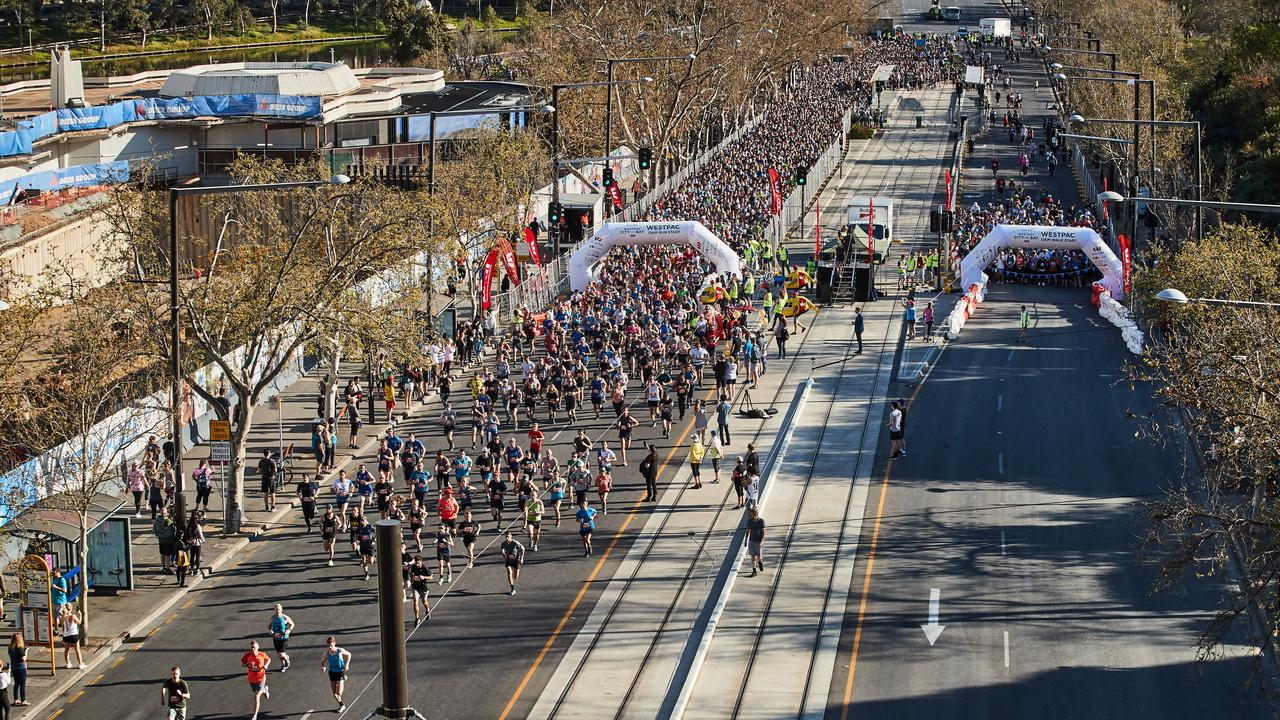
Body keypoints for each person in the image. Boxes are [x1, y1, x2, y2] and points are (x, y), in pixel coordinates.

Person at [241, 640, 271, 720]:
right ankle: (265, 690)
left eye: (254, 647)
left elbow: (269, 660)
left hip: (260, 679)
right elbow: (242, 664)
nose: (252, 649)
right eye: (251, 648)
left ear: (258, 647)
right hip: (251, 680)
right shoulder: (247, 655)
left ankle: (254, 716)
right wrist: (246, 664)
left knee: (257, 696)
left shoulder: (262, 655)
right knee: (258, 693)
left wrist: (266, 665)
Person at [321, 637, 351, 714]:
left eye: (331, 645)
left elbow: (349, 654)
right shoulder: (327, 653)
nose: (330, 647)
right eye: (329, 645)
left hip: (340, 672)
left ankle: (342, 678)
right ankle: (342, 705)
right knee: (334, 693)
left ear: (334, 643)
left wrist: (347, 665)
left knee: (339, 693)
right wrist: (323, 666)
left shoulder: (340, 650)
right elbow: (322, 661)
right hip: (332, 672)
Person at [268, 604, 294, 672]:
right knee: (279, 654)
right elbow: (268, 626)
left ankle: (286, 659)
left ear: (281, 610)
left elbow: (292, 624)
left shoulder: (285, 618)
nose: (278, 611)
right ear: (274, 610)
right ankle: (283, 664)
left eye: (279, 609)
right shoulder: (272, 618)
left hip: (284, 638)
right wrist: (270, 630)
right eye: (276, 609)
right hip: (275, 638)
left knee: (281, 653)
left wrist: (289, 630)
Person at [408, 556, 433, 624]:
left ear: (421, 562)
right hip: (415, 587)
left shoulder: (425, 568)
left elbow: (431, 577)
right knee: (415, 602)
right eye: (416, 563)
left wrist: (424, 577)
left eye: (418, 563)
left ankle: (427, 610)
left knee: (424, 601)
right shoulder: (413, 567)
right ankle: (417, 618)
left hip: (423, 587)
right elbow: (411, 574)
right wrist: (413, 577)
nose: (417, 565)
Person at [60, 605, 85, 669]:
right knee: (77, 650)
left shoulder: (63, 617)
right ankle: (80, 664)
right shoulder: (72, 616)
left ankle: (68, 663)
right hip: (74, 634)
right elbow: (79, 622)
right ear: (71, 608)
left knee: (66, 650)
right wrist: (80, 614)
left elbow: (63, 627)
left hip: (66, 635)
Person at [745, 507, 766, 577]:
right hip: (751, 541)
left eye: (750, 514)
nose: (749, 515)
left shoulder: (761, 521)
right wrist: (746, 540)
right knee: (752, 556)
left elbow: (763, 532)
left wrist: (761, 541)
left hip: (758, 541)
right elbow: (747, 531)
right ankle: (754, 571)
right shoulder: (749, 521)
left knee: (759, 556)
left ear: (755, 514)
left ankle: (760, 562)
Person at [6, 635, 25, 706]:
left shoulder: (10, 648)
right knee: (22, 684)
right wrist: (26, 652)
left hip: (14, 667)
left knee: (16, 683)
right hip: (21, 668)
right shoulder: (20, 648)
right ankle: (23, 700)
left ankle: (16, 699)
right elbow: (23, 659)